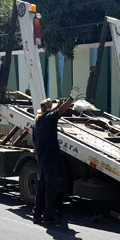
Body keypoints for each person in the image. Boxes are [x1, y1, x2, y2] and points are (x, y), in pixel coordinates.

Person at [32, 95, 75, 225]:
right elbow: (60, 110)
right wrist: (71, 99)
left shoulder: (36, 122)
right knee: (50, 189)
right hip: (51, 159)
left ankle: (37, 214)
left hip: (42, 159)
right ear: (49, 109)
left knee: (41, 188)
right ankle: (48, 216)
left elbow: (34, 144)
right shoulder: (49, 118)